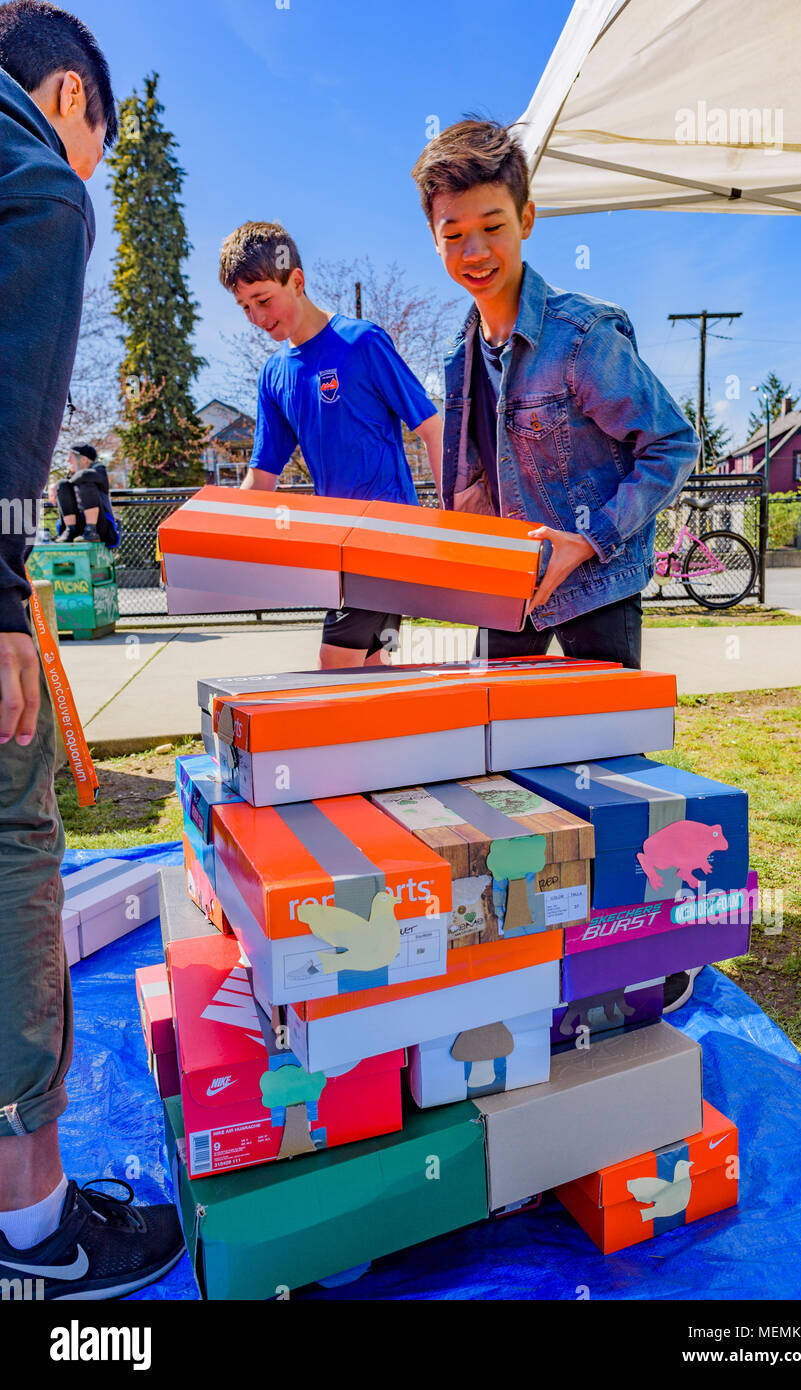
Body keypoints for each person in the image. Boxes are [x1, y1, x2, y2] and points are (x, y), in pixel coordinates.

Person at [410, 118, 701, 1011]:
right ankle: (540, 958)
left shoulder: (580, 337)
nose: (474, 250)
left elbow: (671, 442)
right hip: (508, 607)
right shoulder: (463, 355)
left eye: (491, 225)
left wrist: (590, 535)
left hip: (591, 599)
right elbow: (469, 487)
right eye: (453, 233)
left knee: (609, 793)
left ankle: (652, 959)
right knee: (512, 791)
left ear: (527, 218)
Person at [0, 0, 183, 1298]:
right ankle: (35, 1232)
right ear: (71, 99)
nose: (91, 185)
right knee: (14, 844)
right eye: (98, 151)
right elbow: (8, 410)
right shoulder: (33, 178)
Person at [219, 221, 443, 668]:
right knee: (372, 668)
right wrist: (212, 533)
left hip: (386, 535)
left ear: (296, 280)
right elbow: (262, 475)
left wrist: (446, 520)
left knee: (335, 664)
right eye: (244, 307)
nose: (257, 318)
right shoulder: (274, 375)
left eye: (263, 300)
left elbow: (433, 430)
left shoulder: (362, 343)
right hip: (339, 542)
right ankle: (400, 739)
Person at [54, 442, 119, 545]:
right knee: (62, 484)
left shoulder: (99, 471)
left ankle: (91, 530)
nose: (67, 460)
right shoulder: (69, 478)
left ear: (84, 459)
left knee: (85, 483)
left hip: (100, 528)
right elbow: (64, 484)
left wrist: (63, 484)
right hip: (79, 528)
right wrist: (58, 486)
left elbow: (84, 475)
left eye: (71, 457)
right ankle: (70, 529)